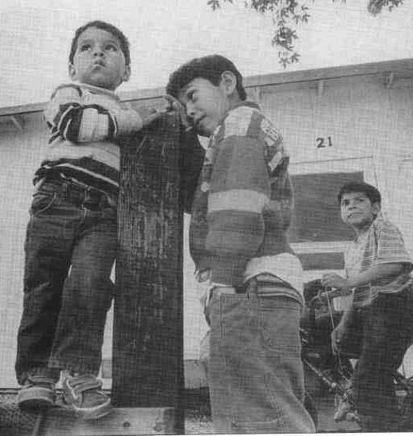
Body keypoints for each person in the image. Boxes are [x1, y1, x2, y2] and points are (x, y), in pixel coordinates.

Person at [14, 20, 163, 420]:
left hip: (103, 211)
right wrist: (132, 121)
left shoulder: (127, 109)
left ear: (126, 71)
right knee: (44, 285)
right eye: (87, 47)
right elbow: (77, 126)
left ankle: (80, 375)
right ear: (72, 65)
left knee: (91, 284)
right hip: (55, 199)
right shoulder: (69, 93)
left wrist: (154, 115)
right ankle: (38, 375)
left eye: (111, 48)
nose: (98, 53)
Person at [166, 54, 316, 434]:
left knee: (259, 416)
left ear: (227, 83)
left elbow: (237, 207)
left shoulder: (238, 125)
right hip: (262, 284)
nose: (189, 110)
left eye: (193, 95)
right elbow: (203, 201)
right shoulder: (239, 131)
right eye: (183, 105)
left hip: (248, 282)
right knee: (269, 404)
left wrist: (224, 280)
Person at [321, 181, 413, 432]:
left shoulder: (383, 227)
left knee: (369, 378)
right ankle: (371, 408)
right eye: (345, 203)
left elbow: (394, 265)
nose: (351, 206)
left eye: (359, 200)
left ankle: (363, 407)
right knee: (366, 369)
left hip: (394, 308)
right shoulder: (353, 248)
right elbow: (357, 291)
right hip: (372, 313)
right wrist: (344, 325)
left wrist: (347, 282)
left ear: (376, 208)